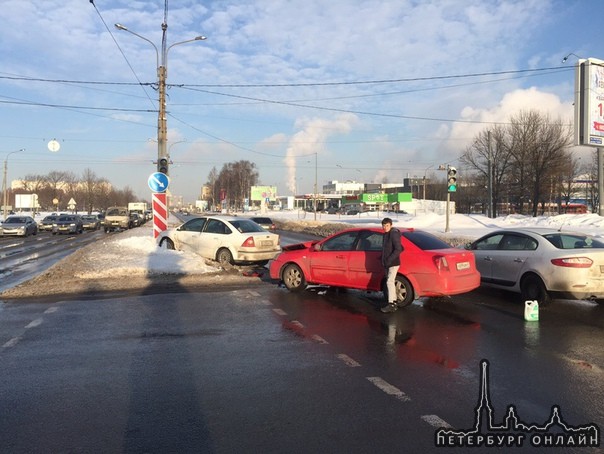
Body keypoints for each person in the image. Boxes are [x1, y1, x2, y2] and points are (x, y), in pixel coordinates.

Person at [380, 217, 403, 313]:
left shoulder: (393, 234)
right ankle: (393, 301)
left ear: (391, 225)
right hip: (388, 262)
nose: (385, 227)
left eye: (387, 225)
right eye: (384, 226)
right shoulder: (386, 234)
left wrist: (389, 259)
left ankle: (391, 304)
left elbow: (399, 249)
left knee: (389, 281)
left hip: (393, 263)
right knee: (390, 282)